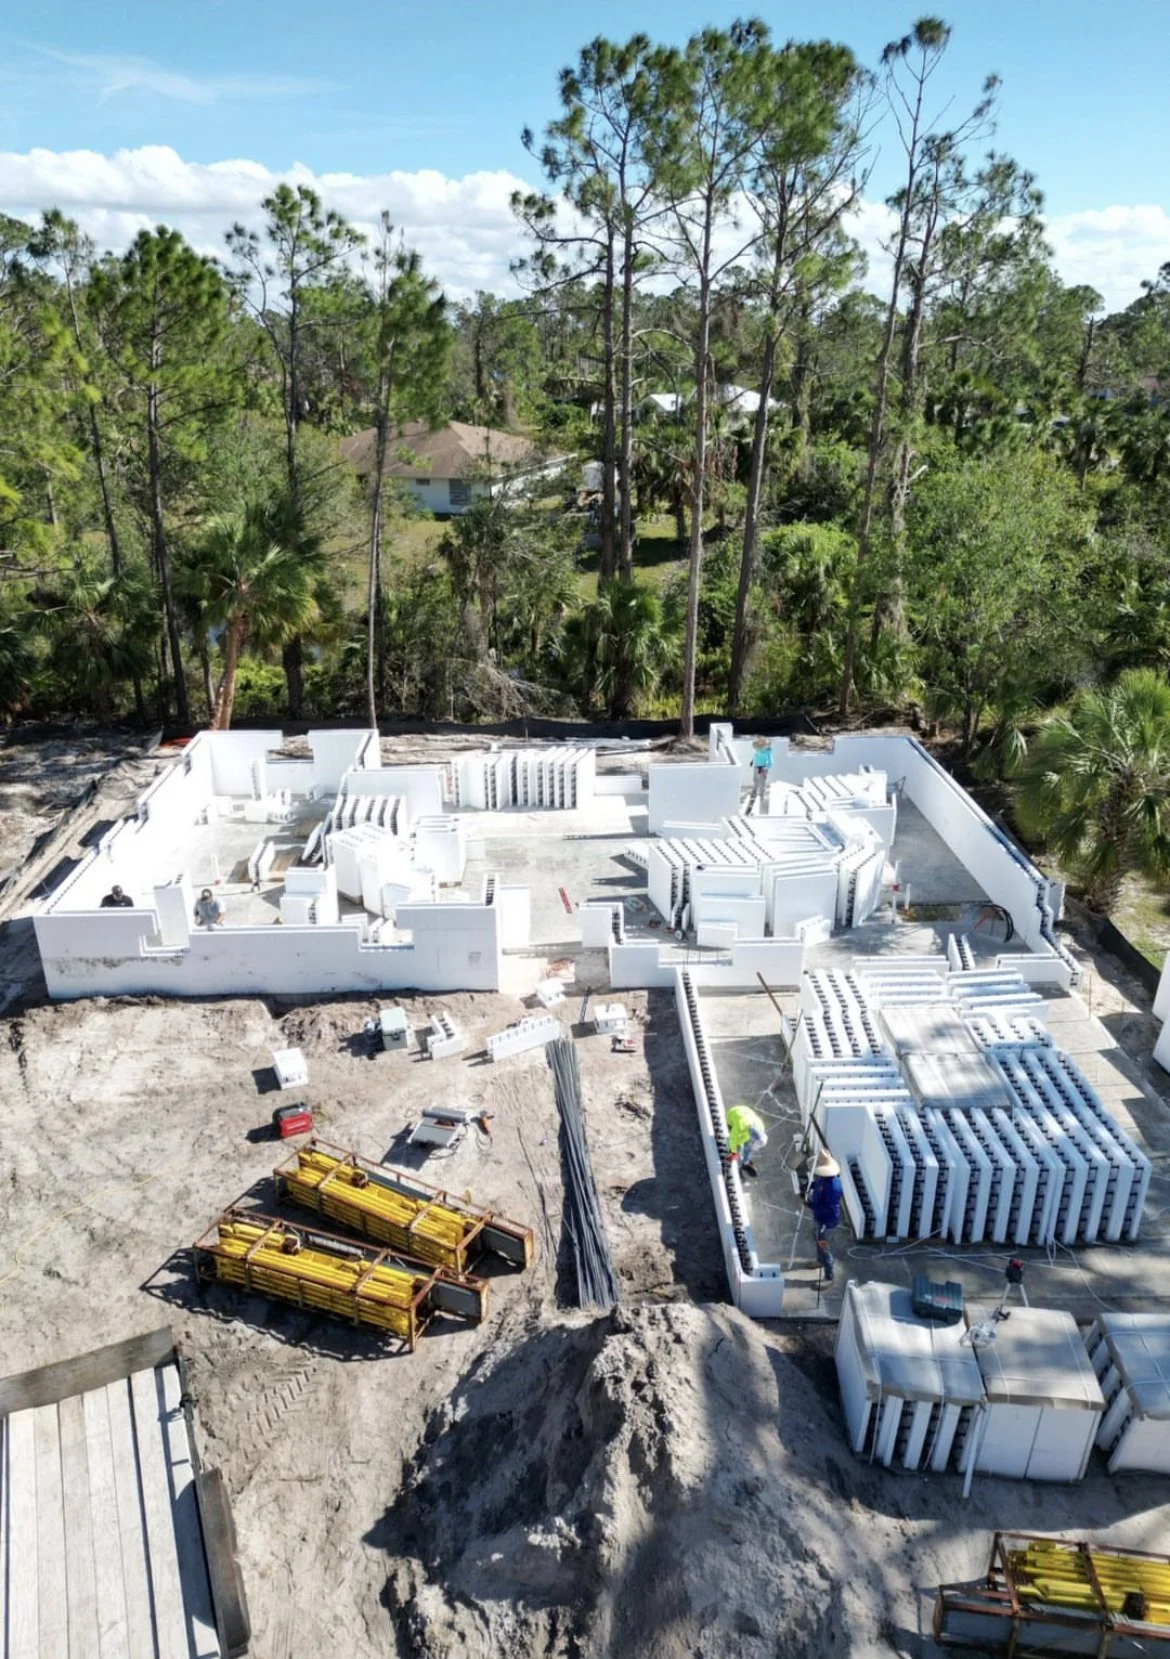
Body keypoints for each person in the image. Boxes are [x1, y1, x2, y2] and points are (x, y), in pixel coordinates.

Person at [807, 1147, 843, 1282]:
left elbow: (826, 1208)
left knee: (823, 1244)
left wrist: (809, 1205)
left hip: (827, 1220)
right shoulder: (823, 1179)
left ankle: (829, 1275)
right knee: (816, 1235)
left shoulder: (833, 1187)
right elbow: (816, 1185)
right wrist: (809, 1186)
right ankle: (819, 1261)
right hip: (820, 1217)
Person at [727, 1103, 768, 1178]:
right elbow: (733, 1138)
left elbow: (750, 1146)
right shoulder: (740, 1124)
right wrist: (733, 1152)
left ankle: (745, 1162)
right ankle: (740, 1159)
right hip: (734, 1112)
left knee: (746, 1145)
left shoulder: (760, 1127)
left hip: (746, 1113)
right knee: (736, 1144)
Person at [744, 736, 772, 815]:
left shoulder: (767, 752)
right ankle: (754, 793)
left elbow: (770, 762)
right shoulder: (758, 750)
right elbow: (756, 756)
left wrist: (765, 769)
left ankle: (761, 796)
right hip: (756, 767)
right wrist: (752, 761)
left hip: (762, 768)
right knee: (755, 780)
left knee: (762, 782)